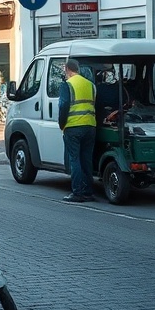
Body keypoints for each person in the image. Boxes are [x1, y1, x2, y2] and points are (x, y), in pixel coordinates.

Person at [58, 58, 97, 202]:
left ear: (68, 69)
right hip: (90, 126)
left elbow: (63, 106)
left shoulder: (67, 85)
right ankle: (88, 192)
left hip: (73, 126)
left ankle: (77, 193)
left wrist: (62, 125)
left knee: (74, 160)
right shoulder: (91, 85)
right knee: (86, 160)